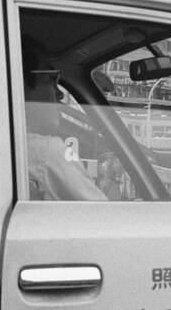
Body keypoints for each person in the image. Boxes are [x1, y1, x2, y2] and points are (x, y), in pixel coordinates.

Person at [23, 40, 108, 202]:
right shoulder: (47, 153)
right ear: (22, 87)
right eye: (50, 79)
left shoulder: (5, 149)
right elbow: (105, 217)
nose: (59, 93)